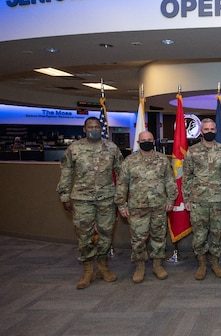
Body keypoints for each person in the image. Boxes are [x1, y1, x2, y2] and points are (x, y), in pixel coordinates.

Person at [56, 116, 123, 289]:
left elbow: (121, 173)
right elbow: (66, 172)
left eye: (96, 126)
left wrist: (121, 196)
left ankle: (103, 267)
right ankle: (88, 270)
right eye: (90, 126)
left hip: (107, 198)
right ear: (84, 129)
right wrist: (64, 196)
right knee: (84, 236)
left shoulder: (112, 148)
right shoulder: (74, 148)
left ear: (101, 128)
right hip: (82, 199)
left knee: (106, 234)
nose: (93, 128)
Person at [115, 131, 178, 283]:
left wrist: (171, 199)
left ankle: (157, 265)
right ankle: (140, 266)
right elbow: (122, 184)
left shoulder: (163, 160)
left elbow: (170, 181)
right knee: (138, 239)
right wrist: (121, 204)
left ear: (154, 141)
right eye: (144, 140)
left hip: (159, 205)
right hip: (137, 207)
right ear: (138, 141)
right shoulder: (129, 161)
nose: (147, 142)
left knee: (159, 237)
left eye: (150, 139)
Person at [183, 118, 221, 280]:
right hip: (198, 201)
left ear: (215, 131)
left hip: (218, 200)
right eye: (206, 129)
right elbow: (187, 177)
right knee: (199, 235)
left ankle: (215, 263)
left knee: (217, 233)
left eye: (212, 129)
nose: (209, 132)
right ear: (201, 132)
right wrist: (187, 199)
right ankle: (202, 264)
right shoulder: (192, 151)